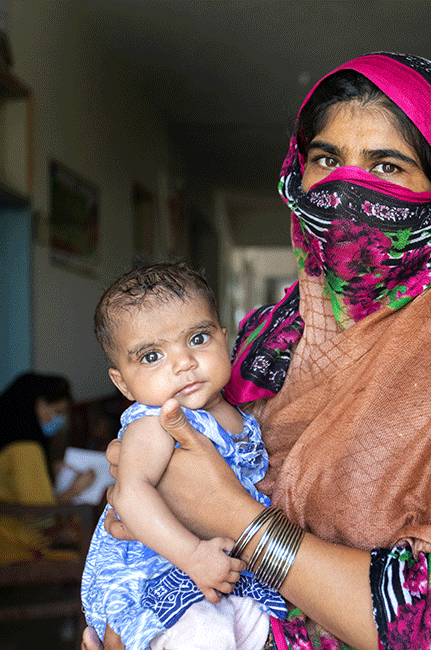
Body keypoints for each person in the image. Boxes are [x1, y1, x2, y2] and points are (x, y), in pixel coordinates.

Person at [85, 52, 431, 650]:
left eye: (386, 166)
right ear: (298, 173)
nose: (345, 190)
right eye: (326, 160)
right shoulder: (260, 340)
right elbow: (143, 502)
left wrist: (239, 521)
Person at [82, 262, 286, 650]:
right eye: (151, 356)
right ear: (123, 384)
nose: (183, 363)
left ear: (224, 339)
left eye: (197, 339)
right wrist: (192, 556)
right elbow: (129, 494)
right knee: (207, 636)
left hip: (221, 570)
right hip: (160, 572)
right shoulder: (156, 421)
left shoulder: (239, 416)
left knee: (258, 628)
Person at [0, 372, 95, 563]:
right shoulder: (25, 448)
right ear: (40, 405)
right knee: (92, 553)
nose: (59, 420)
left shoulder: (2, 436)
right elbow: (41, 517)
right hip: (11, 543)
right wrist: (75, 490)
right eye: (58, 412)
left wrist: (48, 470)